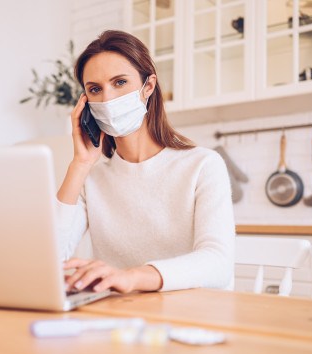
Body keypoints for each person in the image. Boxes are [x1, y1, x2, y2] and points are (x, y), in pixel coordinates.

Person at [57, 30, 235, 295]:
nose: (107, 99)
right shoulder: (91, 180)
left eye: (119, 82)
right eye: (95, 89)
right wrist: (80, 165)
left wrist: (132, 277)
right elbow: (49, 259)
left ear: (148, 87)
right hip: (121, 322)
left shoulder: (203, 165)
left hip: (192, 317)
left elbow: (218, 264)